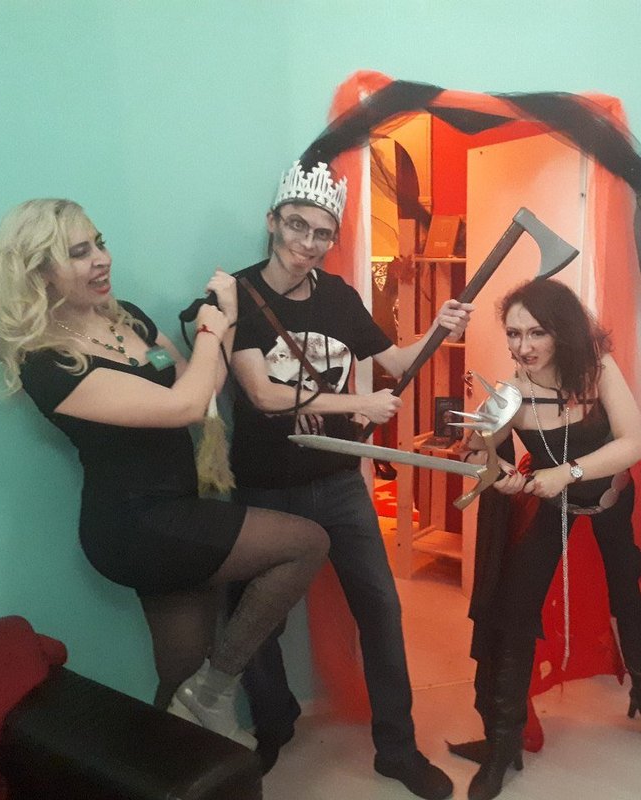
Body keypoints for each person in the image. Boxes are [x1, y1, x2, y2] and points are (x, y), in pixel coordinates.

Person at [0, 198, 331, 750]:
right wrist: (211, 332)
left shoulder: (128, 319)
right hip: (133, 526)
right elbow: (182, 408)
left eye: (99, 243)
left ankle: (177, 758)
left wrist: (224, 323)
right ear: (40, 272)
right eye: (79, 252)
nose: (102, 259)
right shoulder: (45, 361)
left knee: (179, 670)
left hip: (179, 511)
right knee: (306, 543)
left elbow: (199, 387)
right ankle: (217, 688)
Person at [225, 160, 472, 798]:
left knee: (382, 609)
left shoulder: (338, 296)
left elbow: (395, 360)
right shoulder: (236, 297)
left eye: (322, 233)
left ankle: (397, 749)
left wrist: (438, 330)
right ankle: (273, 723)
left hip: (339, 483)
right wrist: (357, 403)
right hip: (265, 487)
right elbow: (261, 394)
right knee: (257, 617)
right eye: (296, 226)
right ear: (272, 222)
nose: (307, 243)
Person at [454, 279, 641, 800]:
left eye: (537, 332)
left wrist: (566, 472)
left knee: (630, 600)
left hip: (612, 501)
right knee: (513, 610)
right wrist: (497, 470)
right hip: (552, 506)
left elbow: (635, 441)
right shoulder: (510, 393)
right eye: (514, 333)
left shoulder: (598, 370)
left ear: (563, 332)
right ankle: (503, 743)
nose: (524, 346)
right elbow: (477, 453)